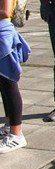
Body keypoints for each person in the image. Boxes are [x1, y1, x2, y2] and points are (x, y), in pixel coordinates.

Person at [0, 0, 30, 154]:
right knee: (3, 85)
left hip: (3, 35)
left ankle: (17, 135)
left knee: (9, 84)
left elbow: (6, 11)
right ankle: (9, 126)